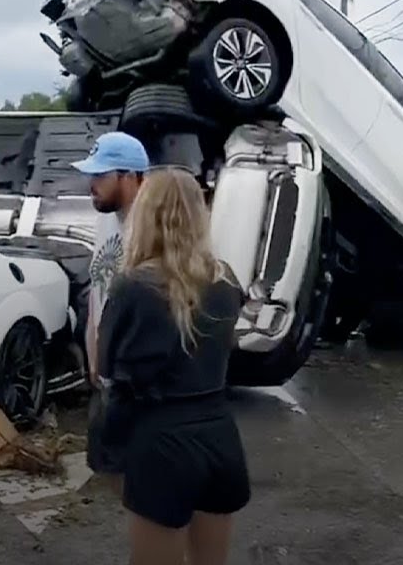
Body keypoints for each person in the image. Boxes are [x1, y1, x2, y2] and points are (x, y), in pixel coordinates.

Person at [91, 166, 249, 565]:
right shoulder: (226, 279)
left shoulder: (133, 286)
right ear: (200, 214)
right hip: (219, 439)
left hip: (161, 444)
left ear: (145, 214)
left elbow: (104, 372)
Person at [70, 131, 150, 383]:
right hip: (108, 373)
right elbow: (98, 289)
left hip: (136, 379)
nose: (91, 184)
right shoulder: (105, 218)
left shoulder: (152, 228)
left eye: (100, 175)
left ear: (128, 177)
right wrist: (94, 353)